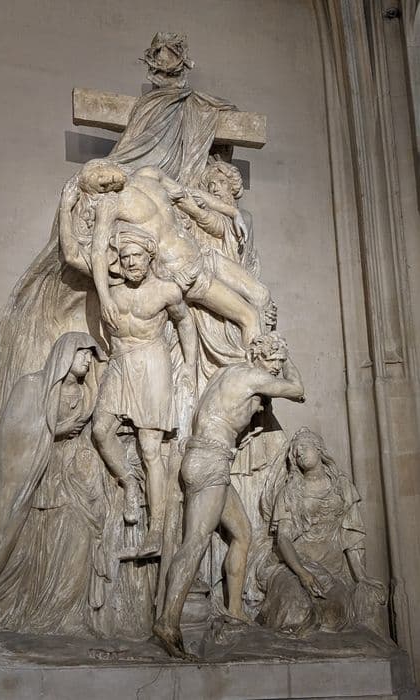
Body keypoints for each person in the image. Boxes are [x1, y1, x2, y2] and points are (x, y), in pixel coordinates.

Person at [0, 332, 107, 637]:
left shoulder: (83, 393)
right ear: (65, 355)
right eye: (82, 353)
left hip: (66, 480)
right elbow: (13, 435)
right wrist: (57, 430)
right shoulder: (31, 386)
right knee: (17, 548)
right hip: (29, 479)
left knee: (74, 539)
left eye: (90, 355)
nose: (87, 360)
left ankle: (60, 615)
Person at [153, 332, 305, 658]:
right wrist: (288, 359)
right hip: (209, 460)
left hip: (210, 460)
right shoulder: (252, 376)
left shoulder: (227, 373)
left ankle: (235, 611)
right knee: (195, 542)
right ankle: (167, 621)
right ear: (259, 356)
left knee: (242, 533)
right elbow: (298, 390)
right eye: (274, 361)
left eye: (280, 362)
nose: (276, 367)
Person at [66, 159, 271, 348]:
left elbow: (188, 194)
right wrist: (105, 298)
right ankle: (253, 372)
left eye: (102, 174)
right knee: (249, 317)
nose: (107, 181)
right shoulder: (110, 205)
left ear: (106, 165)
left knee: (261, 295)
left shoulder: (148, 174)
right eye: (100, 185)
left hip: (204, 255)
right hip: (185, 273)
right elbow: (98, 252)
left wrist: (232, 212)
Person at [92, 226, 197, 557]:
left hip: (152, 363)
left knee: (150, 449)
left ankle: (155, 529)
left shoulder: (167, 291)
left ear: (149, 256)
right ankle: (129, 483)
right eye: (125, 258)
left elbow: (185, 323)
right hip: (120, 363)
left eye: (136, 256)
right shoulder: (112, 291)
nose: (131, 262)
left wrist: (190, 366)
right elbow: (90, 256)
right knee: (100, 430)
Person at [256, 427, 387, 636]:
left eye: (304, 447)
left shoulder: (342, 487)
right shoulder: (290, 492)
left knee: (334, 614)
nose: (299, 453)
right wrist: (302, 573)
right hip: (294, 566)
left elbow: (351, 537)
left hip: (332, 569)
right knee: (295, 609)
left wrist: (361, 576)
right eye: (295, 452)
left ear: (319, 449)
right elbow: (283, 538)